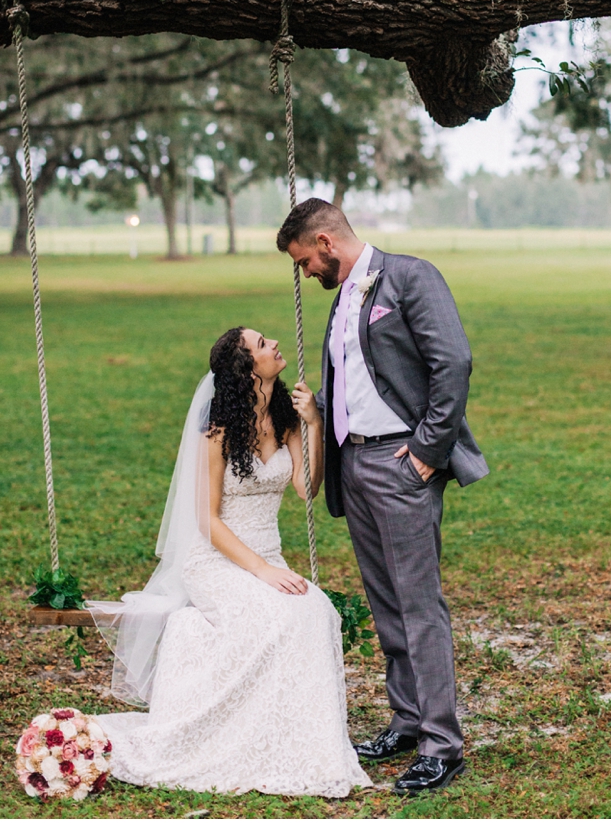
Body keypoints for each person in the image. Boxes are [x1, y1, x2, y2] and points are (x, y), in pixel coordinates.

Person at [88, 326, 370, 797]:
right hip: (215, 561)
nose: (274, 344)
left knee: (316, 610)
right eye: (262, 344)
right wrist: (261, 570)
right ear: (246, 368)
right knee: (279, 617)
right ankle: (248, 736)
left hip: (269, 556)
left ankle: (299, 742)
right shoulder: (217, 433)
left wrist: (314, 425)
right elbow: (207, 521)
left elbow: (307, 489)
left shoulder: (285, 418)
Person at [277, 199, 489, 796]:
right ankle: (407, 719)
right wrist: (317, 407)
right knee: (385, 601)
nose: (306, 274)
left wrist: (426, 451)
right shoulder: (344, 296)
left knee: (418, 604)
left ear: (325, 240)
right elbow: (361, 373)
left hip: (402, 462)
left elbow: (453, 362)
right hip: (355, 464)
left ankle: (441, 745)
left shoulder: (409, 277)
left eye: (304, 262)